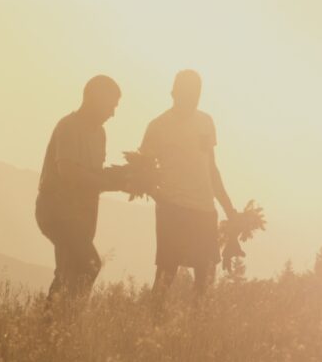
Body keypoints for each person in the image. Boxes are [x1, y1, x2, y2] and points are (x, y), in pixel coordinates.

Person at [140, 70, 236, 302]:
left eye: (197, 94)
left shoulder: (205, 122)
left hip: (204, 209)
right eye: (188, 93)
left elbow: (211, 167)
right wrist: (161, 198)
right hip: (173, 209)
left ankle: (197, 328)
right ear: (174, 93)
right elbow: (142, 172)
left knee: (205, 276)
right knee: (166, 273)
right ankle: (152, 326)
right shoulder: (158, 126)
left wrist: (229, 210)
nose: (193, 99)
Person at [36, 75, 124, 307]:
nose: (112, 113)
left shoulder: (100, 134)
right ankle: (64, 318)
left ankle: (57, 322)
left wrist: (118, 179)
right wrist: (109, 182)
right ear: (95, 99)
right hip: (57, 212)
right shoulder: (67, 126)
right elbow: (68, 171)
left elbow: (93, 175)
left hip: (80, 215)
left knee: (69, 269)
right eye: (111, 105)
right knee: (89, 264)